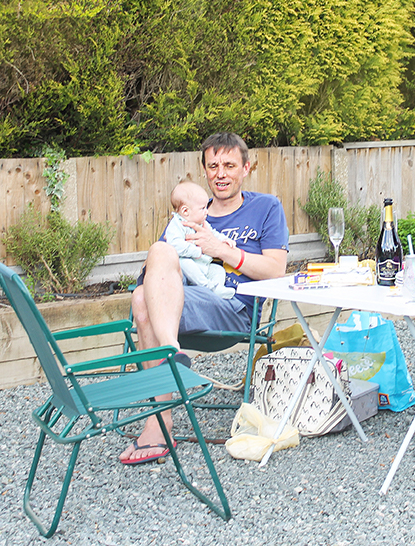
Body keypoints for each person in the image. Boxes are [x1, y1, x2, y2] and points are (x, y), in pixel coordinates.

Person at [119, 132, 289, 465]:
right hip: (187, 300)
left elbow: (275, 271)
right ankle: (172, 353)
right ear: (205, 170)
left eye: (229, 165)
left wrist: (223, 251)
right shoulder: (189, 215)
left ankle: (158, 420)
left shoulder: (265, 207)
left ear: (246, 168)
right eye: (213, 166)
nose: (221, 173)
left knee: (142, 302)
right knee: (151, 272)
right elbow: (163, 269)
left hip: (235, 306)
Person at [163, 181, 236, 300]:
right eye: (202, 208)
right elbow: (175, 245)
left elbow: (213, 234)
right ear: (185, 211)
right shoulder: (176, 225)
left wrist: (224, 240)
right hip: (186, 265)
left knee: (218, 269)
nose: (206, 211)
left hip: (203, 264)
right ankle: (207, 287)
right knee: (185, 263)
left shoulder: (202, 223)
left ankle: (217, 288)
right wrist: (198, 251)